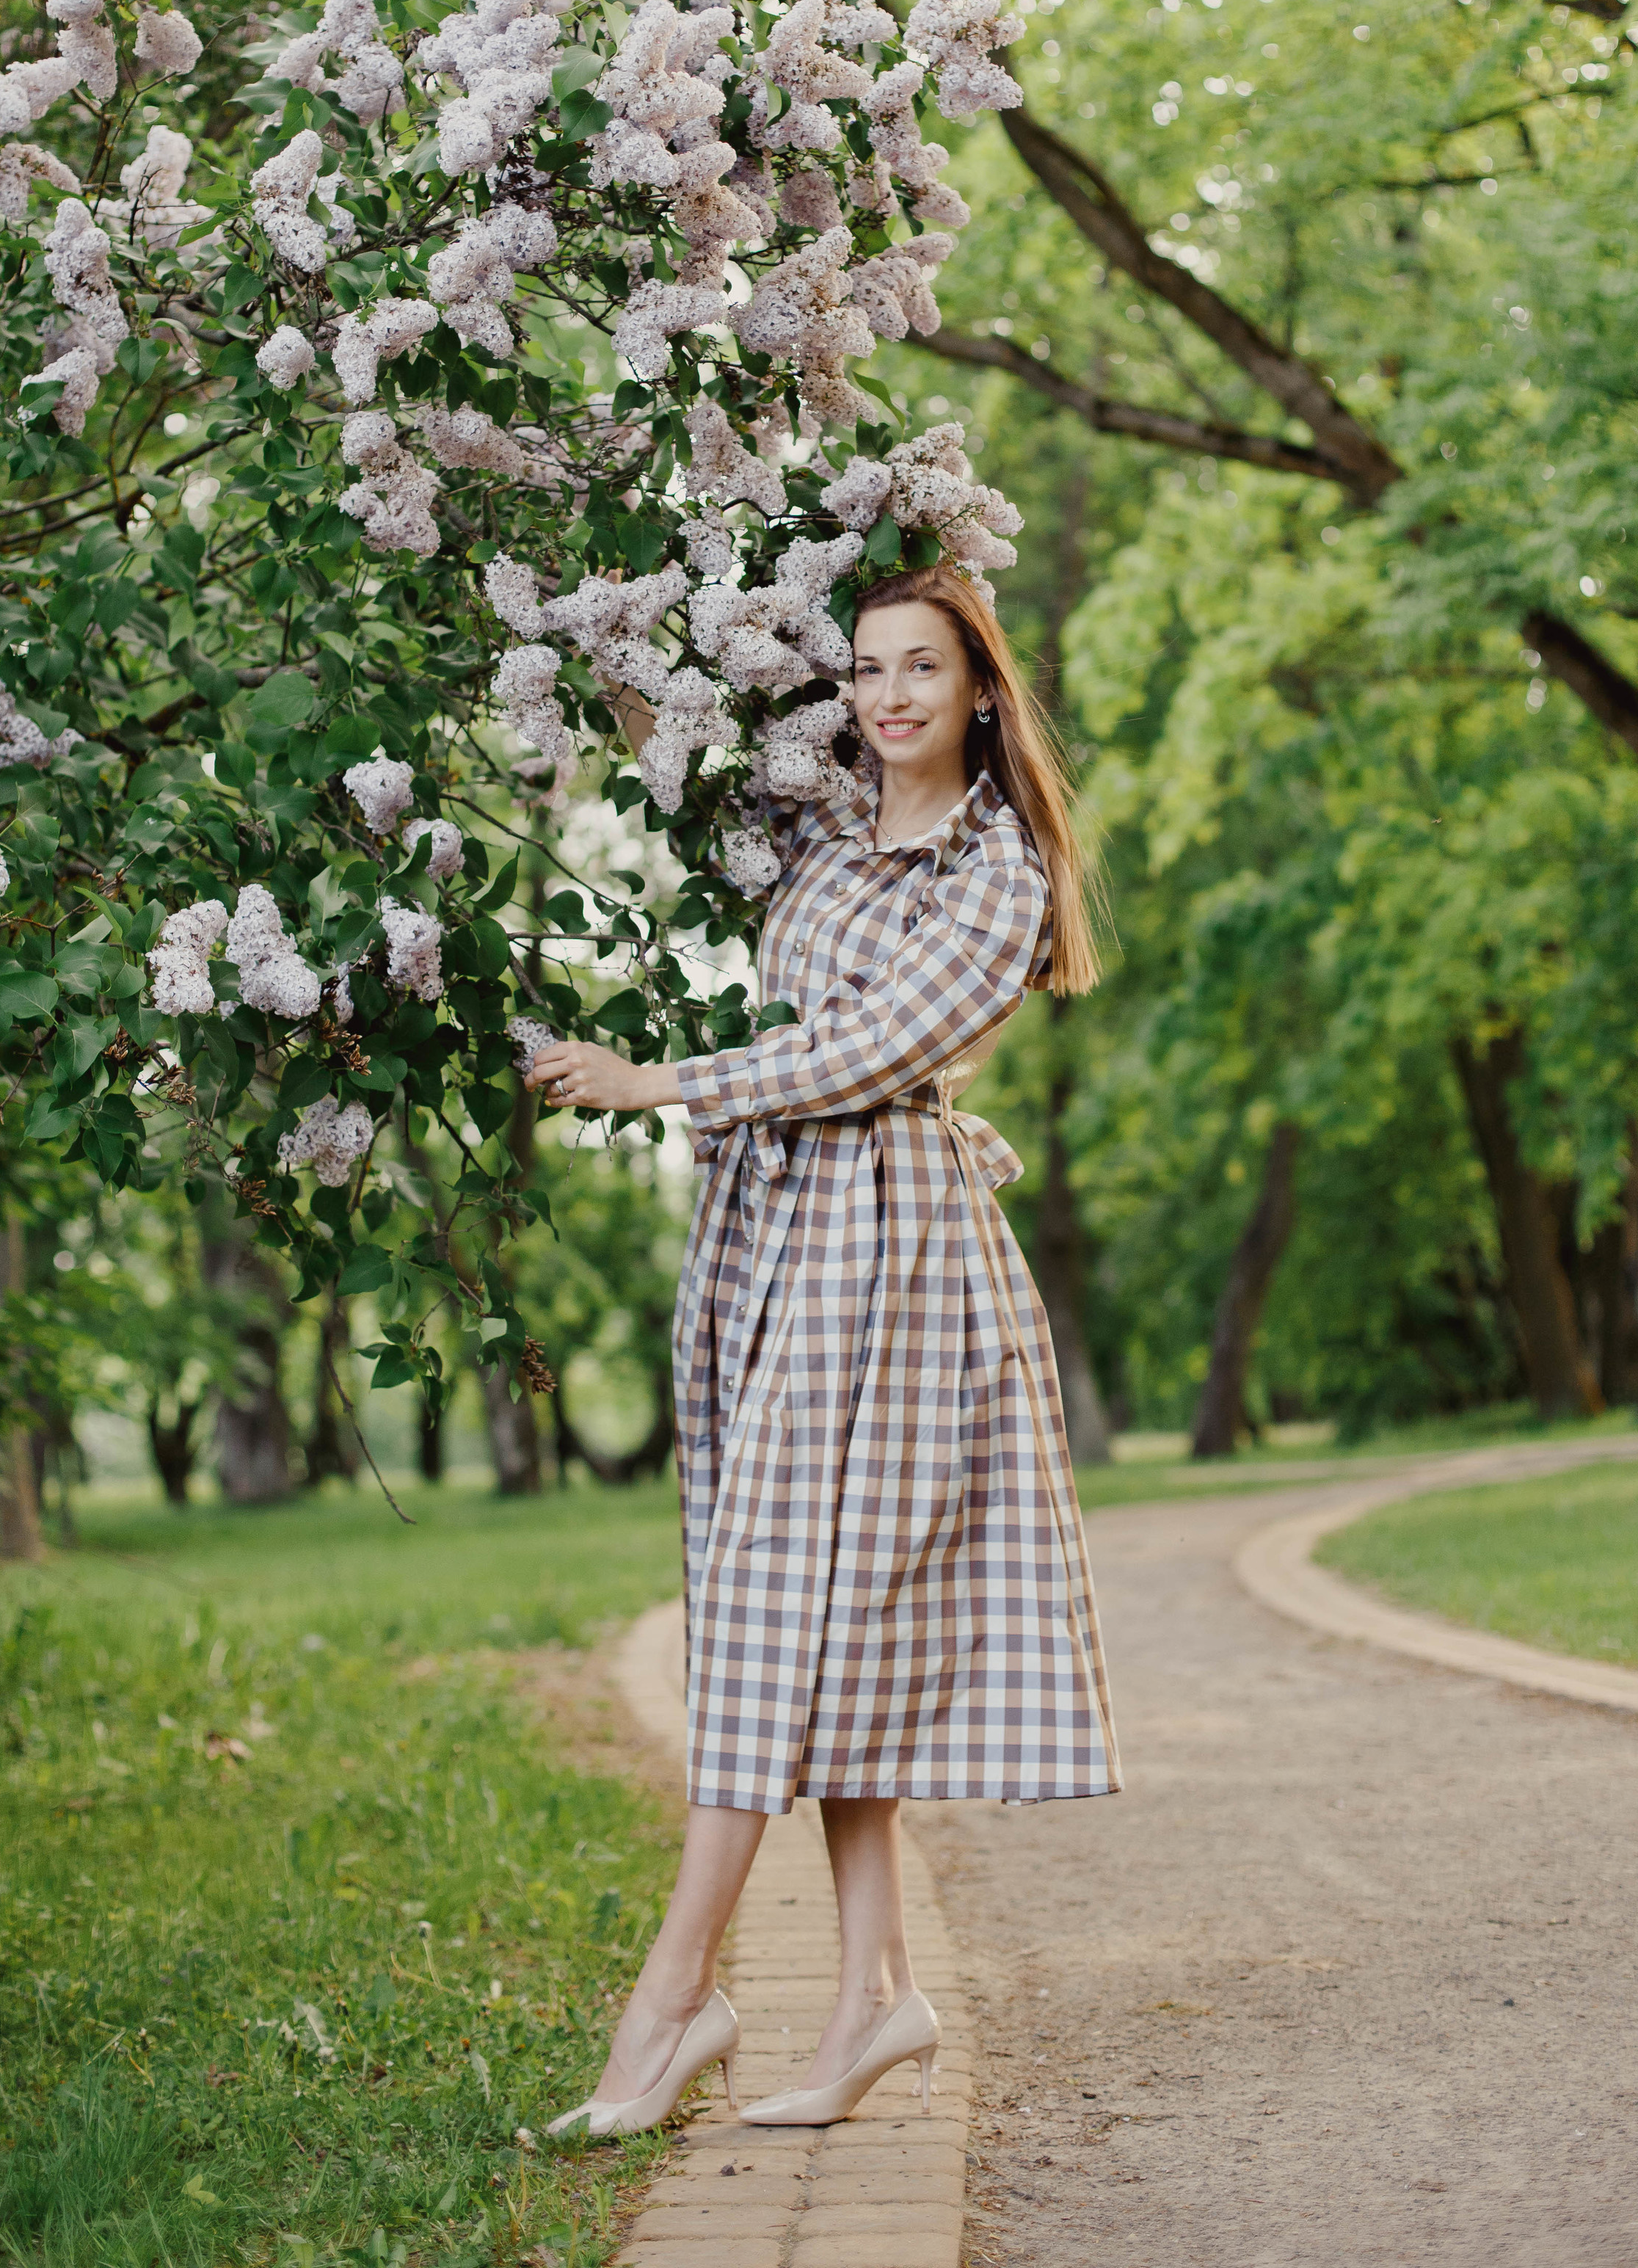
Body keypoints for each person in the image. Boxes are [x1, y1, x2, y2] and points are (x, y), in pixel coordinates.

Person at [528, 563, 1120, 2138]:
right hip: (778, 1234)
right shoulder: (825, 824)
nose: (887, 696)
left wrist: (660, 1082)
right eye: (864, 669)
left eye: (920, 667)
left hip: (896, 1257)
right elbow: (683, 781)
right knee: (819, 1616)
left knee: (769, 1609)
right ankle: (873, 1995)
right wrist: (596, 625)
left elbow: (867, 1051)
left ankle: (672, 2003)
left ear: (979, 689)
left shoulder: (997, 869)